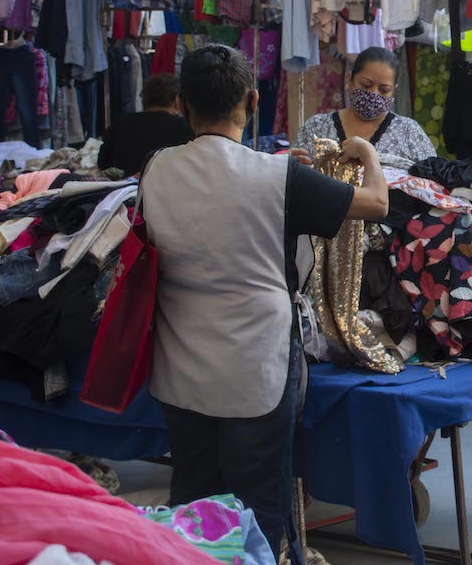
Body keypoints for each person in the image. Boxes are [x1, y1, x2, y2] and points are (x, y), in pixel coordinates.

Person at [140, 45, 388, 563]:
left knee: (192, 510)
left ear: (182, 105)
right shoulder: (278, 176)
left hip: (180, 370)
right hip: (256, 371)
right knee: (258, 513)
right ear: (252, 101)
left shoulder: (156, 170)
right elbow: (376, 205)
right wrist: (365, 153)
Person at [290, 46, 436, 166]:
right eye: (366, 85)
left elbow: (434, 181)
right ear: (350, 79)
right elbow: (292, 174)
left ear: (393, 92)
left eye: (384, 90)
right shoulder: (317, 127)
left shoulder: (408, 132)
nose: (373, 94)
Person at [98, 74, 194, 176]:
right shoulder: (185, 127)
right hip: (167, 187)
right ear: (177, 99)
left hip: (127, 188)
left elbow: (103, 163)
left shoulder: (120, 123)